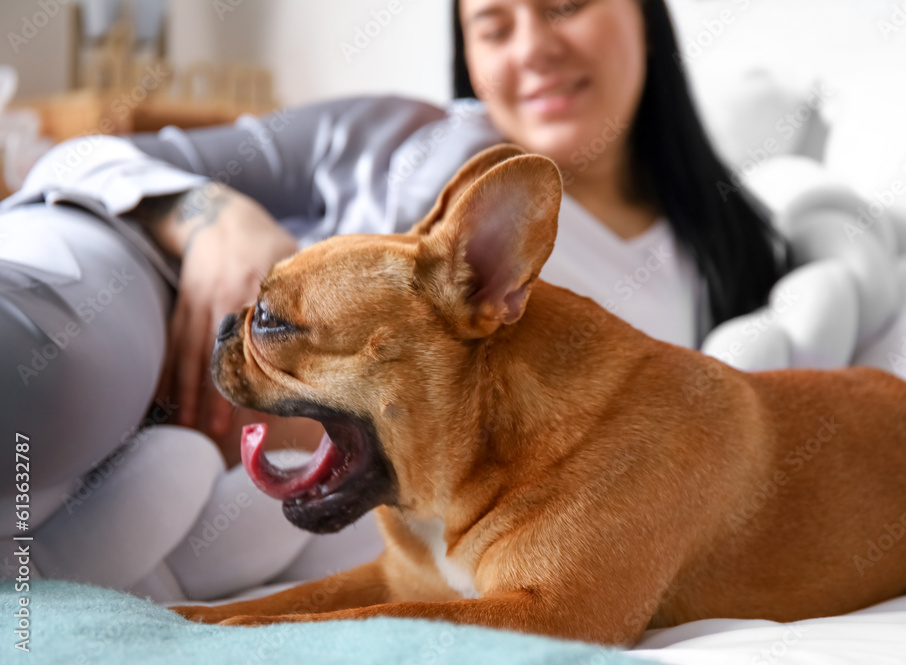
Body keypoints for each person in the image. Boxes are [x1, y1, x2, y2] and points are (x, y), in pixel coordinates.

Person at [0, 0, 786, 602]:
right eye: (492, 23)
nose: (534, 48)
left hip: (241, 472)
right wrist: (211, 218)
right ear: (468, 57)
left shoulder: (729, 261)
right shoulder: (398, 136)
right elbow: (85, 156)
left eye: (565, 5)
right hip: (150, 283)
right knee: (52, 389)